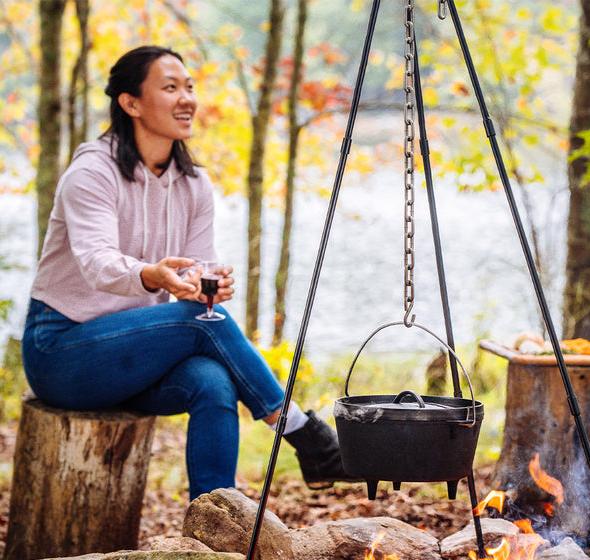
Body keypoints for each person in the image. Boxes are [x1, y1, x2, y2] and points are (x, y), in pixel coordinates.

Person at [21, 45, 354, 500]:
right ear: (130, 103)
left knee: (213, 382)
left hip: (139, 357)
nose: (187, 99)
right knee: (201, 324)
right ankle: (298, 428)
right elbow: (97, 263)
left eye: (190, 87)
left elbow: (197, 268)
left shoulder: (193, 183)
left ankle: (214, 529)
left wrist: (201, 285)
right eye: (170, 87)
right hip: (62, 351)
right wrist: (153, 277)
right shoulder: (91, 173)